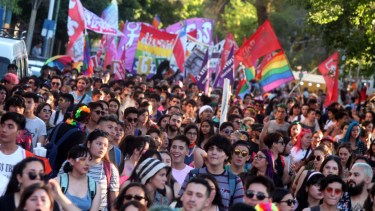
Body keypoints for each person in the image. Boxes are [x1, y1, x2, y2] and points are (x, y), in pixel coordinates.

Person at [179, 134, 244, 209]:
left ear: (227, 156)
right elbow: (181, 201)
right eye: (211, 149)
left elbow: (238, 209)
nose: (214, 152)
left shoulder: (234, 181)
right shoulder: (193, 174)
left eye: (219, 150)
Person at [0, 157, 77, 210]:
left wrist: (59, 196)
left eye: (41, 174)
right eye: (32, 174)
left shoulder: (50, 203)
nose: (38, 178)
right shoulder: (3, 203)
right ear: (19, 177)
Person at [47, 104, 90, 177]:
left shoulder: (60, 125)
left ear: (72, 114)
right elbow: (76, 155)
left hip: (48, 164)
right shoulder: (80, 135)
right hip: (62, 171)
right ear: (87, 119)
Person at [54, 145, 101, 211]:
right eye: (82, 159)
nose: (87, 163)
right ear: (72, 161)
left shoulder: (95, 187)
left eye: (89, 159)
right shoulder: (58, 182)